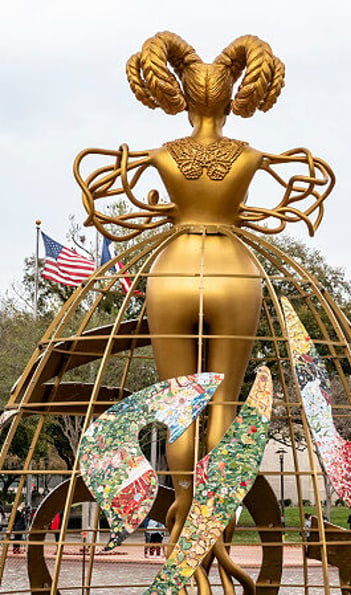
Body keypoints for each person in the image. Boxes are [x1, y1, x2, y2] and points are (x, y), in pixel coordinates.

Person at [76, 32, 333, 554]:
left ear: (181, 96)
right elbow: (308, 185)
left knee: (179, 407)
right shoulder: (251, 156)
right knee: (224, 405)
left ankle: (184, 514)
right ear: (236, 95)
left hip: (170, 275)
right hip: (235, 275)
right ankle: (213, 526)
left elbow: (100, 190)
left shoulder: (161, 155)